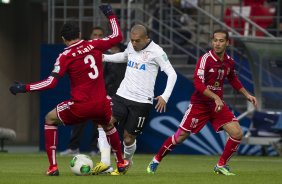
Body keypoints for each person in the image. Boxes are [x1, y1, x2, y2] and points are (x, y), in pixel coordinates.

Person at [9, 4, 130, 176]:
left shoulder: (65, 56)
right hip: (101, 103)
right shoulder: (95, 45)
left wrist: (23, 88)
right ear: (80, 35)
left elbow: (50, 83)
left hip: (81, 105)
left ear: (63, 39)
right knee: (108, 125)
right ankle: (121, 161)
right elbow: (118, 36)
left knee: (49, 118)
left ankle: (53, 167)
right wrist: (110, 14)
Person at [146, 29, 258, 176]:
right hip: (200, 105)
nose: (217, 44)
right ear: (212, 42)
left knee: (237, 133)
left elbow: (232, 79)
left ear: (227, 43)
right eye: (215, 40)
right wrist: (215, 97)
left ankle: (221, 165)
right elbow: (198, 84)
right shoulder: (205, 59)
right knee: (180, 137)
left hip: (217, 106)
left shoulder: (229, 62)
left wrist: (247, 94)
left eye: (221, 41)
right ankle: (156, 159)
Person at [92, 24, 178, 175]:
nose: (134, 43)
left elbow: (172, 74)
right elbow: (125, 56)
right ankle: (105, 162)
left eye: (137, 41)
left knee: (128, 138)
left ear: (146, 38)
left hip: (142, 102)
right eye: (131, 40)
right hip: (122, 95)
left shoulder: (157, 51)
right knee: (104, 121)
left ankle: (127, 160)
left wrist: (165, 96)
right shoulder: (131, 46)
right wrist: (104, 57)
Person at [60, 26, 107, 157]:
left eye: (100, 35)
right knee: (78, 122)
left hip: (100, 94)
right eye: (95, 34)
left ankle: (95, 148)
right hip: (84, 95)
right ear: (90, 35)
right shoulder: (82, 51)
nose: (97, 37)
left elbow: (113, 76)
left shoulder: (105, 52)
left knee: (99, 124)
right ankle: (73, 147)